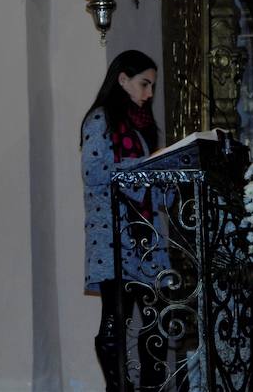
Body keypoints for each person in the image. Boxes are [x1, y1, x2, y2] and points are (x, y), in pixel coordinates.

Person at [80, 50, 169, 391]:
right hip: (113, 236)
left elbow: (153, 192)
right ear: (122, 80)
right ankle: (118, 388)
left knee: (155, 320)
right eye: (144, 84)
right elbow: (94, 173)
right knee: (115, 319)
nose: (148, 94)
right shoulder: (99, 120)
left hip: (146, 237)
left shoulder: (144, 128)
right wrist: (146, 167)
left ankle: (150, 386)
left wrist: (169, 177)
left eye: (152, 87)